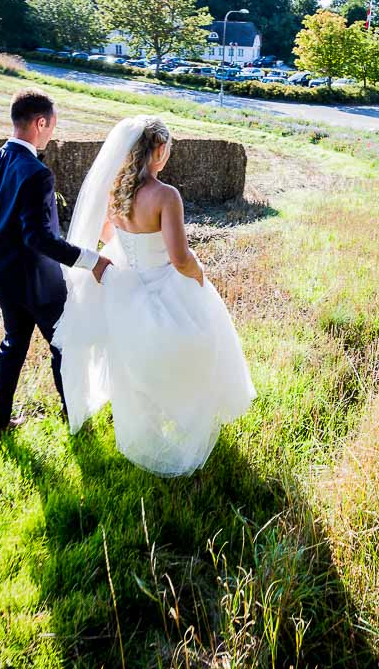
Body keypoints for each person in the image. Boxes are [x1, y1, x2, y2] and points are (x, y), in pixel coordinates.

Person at [53, 116, 256, 476]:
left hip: (126, 286)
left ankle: (148, 426)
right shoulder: (166, 195)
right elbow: (179, 258)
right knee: (201, 350)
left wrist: (131, 249)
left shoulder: (116, 192)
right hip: (164, 286)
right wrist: (200, 274)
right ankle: (190, 420)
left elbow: (105, 233)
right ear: (159, 150)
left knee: (137, 363)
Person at [0, 89, 111, 442]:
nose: (52, 133)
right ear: (40, 122)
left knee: (13, 345)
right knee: (63, 344)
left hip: (3, 277)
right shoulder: (36, 172)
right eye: (52, 126)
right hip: (37, 280)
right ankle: (73, 413)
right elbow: (39, 239)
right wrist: (91, 261)